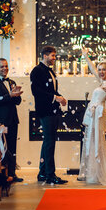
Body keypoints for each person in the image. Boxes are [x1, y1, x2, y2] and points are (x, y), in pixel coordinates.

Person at [78, 48, 106, 184]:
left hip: (99, 115)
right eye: (100, 69)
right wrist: (85, 56)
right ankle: (93, 172)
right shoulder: (101, 82)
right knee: (91, 141)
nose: (101, 72)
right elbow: (92, 69)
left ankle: (101, 173)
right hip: (93, 114)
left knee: (98, 142)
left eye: (103, 70)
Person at [30, 46, 68, 184]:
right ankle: (50, 175)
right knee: (50, 143)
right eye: (52, 55)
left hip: (53, 110)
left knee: (47, 142)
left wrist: (60, 97)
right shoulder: (37, 71)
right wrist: (55, 97)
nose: (54, 58)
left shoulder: (50, 71)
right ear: (45, 56)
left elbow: (52, 90)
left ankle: (42, 172)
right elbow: (37, 91)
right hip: (45, 111)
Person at [0, 58, 23, 182]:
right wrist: (10, 95)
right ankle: (3, 175)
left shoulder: (11, 81)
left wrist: (17, 94)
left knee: (13, 147)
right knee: (3, 148)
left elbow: (17, 102)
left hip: (13, 119)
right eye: (1, 66)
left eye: (6, 66)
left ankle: (13, 174)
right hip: (1, 120)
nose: (4, 69)